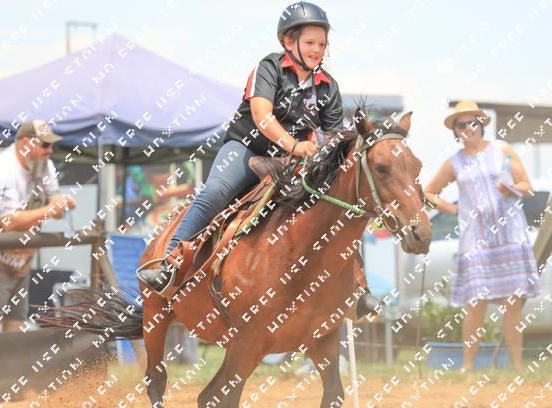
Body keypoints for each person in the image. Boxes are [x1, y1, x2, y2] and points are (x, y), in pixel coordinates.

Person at [138, 1, 380, 316]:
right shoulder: (269, 68)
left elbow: (335, 139)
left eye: (322, 44)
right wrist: (294, 145)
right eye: (310, 43)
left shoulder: (328, 87)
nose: (317, 50)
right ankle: (168, 265)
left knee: (333, 209)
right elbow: (261, 116)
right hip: (246, 150)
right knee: (215, 193)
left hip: (292, 165)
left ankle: (359, 289)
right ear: (288, 41)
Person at [424, 100, 541, 371]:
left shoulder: (502, 149)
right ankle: (467, 366)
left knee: (513, 303)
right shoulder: (454, 163)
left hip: (510, 236)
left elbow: (527, 186)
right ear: (455, 131)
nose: (468, 128)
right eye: (461, 124)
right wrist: (452, 209)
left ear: (481, 125)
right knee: (476, 303)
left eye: (472, 122)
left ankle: (517, 366)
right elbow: (429, 192)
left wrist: (511, 188)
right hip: (475, 240)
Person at [0, 120, 76, 333]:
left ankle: (13, 358)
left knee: (16, 320)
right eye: (45, 144)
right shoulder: (1, 170)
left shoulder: (44, 164)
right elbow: (9, 222)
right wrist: (51, 209)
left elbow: (55, 207)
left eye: (51, 144)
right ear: (24, 143)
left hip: (19, 255)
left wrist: (62, 204)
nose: (50, 150)